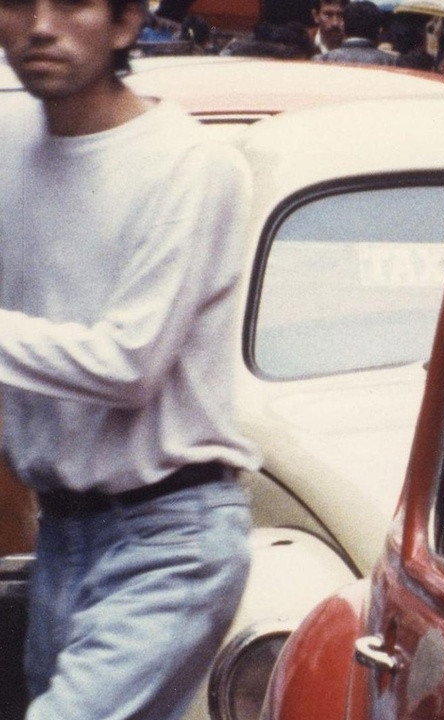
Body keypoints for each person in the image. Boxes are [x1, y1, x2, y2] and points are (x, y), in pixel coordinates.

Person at [0, 0, 259, 718]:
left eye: (71, 3)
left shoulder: (190, 164)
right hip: (59, 534)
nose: (41, 25)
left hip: (170, 539)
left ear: (125, 23)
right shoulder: (8, 143)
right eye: (19, 2)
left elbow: (129, 364)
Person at [314, 0, 395, 64]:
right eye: (328, 15)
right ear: (316, 16)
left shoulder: (381, 51)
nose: (335, 23)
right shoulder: (307, 43)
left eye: (340, 15)